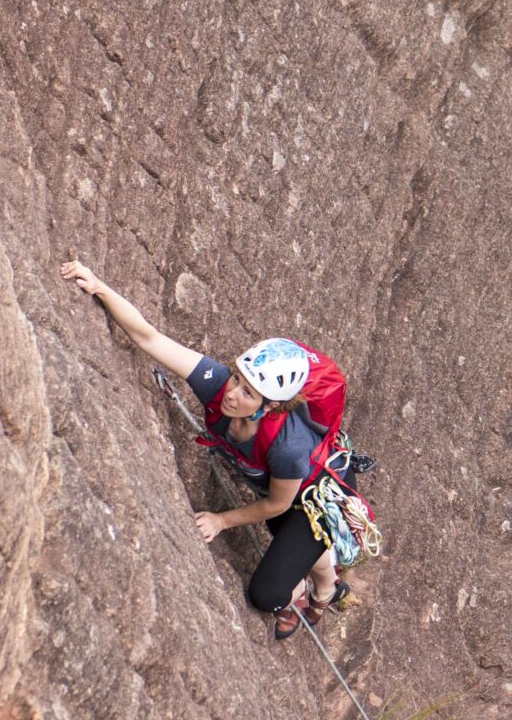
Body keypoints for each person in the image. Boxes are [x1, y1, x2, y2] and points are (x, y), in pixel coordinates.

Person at [62, 260, 350, 638]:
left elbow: (278, 505)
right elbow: (150, 338)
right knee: (286, 540)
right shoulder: (217, 384)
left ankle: (323, 588)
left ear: (270, 407)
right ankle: (321, 575)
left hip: (313, 497)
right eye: (237, 379)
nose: (231, 394)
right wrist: (99, 286)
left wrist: (220, 520)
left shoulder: (287, 446)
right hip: (280, 486)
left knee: (267, 593)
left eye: (247, 393)